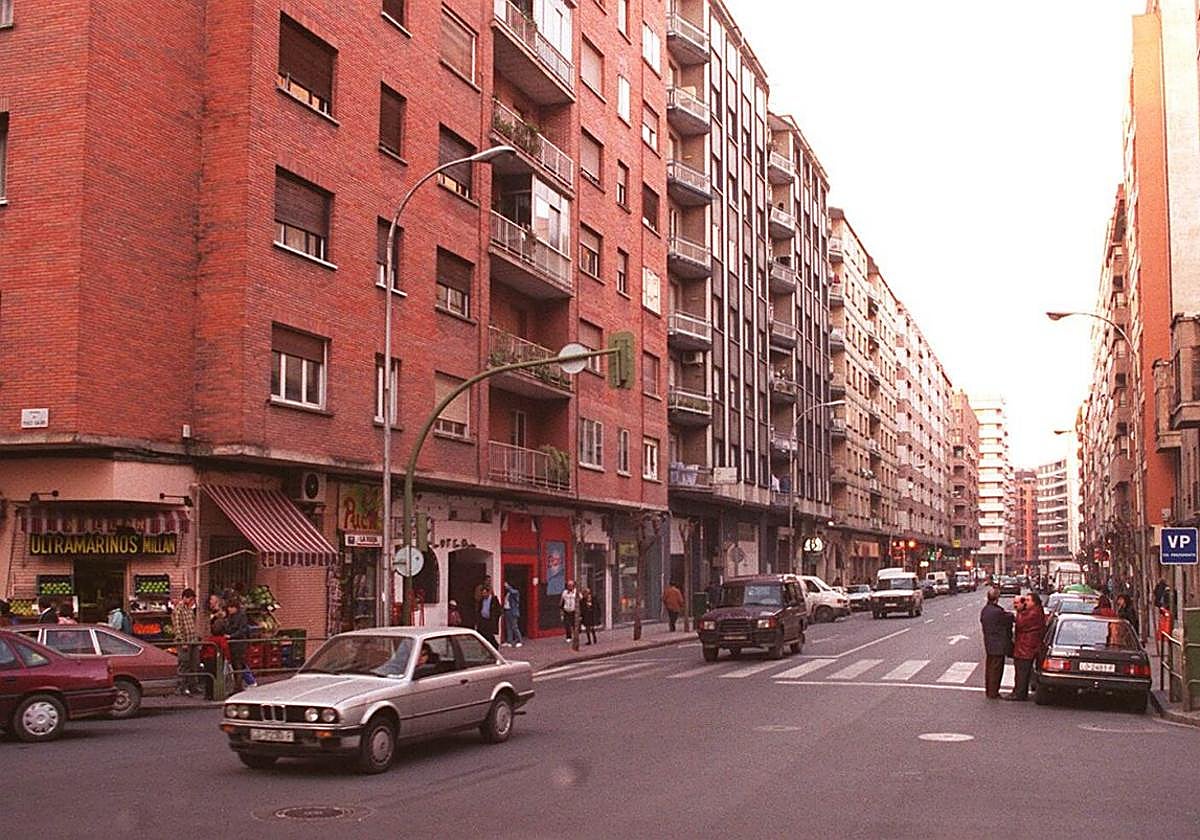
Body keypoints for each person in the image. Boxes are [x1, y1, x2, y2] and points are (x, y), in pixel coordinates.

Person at [1008, 594, 1045, 701]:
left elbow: (1020, 623)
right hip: (1027, 644)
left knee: (1022, 671)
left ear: (1034, 602)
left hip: (1026, 646)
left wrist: (1019, 611)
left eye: (1028, 600)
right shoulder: (1035, 611)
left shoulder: (1034, 613)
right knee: (1022, 670)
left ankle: (1019, 693)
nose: (1025, 602)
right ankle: (1019, 691)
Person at [979, 587, 1014, 700]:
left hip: (989, 643)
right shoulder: (997, 612)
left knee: (990, 668)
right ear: (997, 598)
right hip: (998, 644)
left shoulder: (985, 610)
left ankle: (990, 690)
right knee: (996, 670)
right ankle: (994, 692)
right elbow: (1008, 618)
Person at [222, 597, 253, 692]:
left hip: (239, 644)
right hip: (233, 644)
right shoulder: (230, 616)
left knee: (239, 664)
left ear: (235, 608)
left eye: (230, 607)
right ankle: (238, 684)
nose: (228, 610)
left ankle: (239, 685)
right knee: (236, 665)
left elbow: (242, 630)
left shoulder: (241, 616)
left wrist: (231, 636)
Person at [174, 588, 200, 696]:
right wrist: (182, 641)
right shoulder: (178, 609)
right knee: (184, 664)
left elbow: (192, 624)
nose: (192, 601)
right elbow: (178, 626)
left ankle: (193, 685)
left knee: (194, 664)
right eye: (191, 599)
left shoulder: (189, 609)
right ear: (185, 598)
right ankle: (182, 687)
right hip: (185, 642)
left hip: (192, 640)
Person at [502, 580, 523, 648]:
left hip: (512, 611)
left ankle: (520, 640)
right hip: (507, 610)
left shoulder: (516, 592)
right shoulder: (508, 593)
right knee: (508, 627)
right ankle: (509, 641)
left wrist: (507, 586)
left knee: (514, 626)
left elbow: (512, 591)